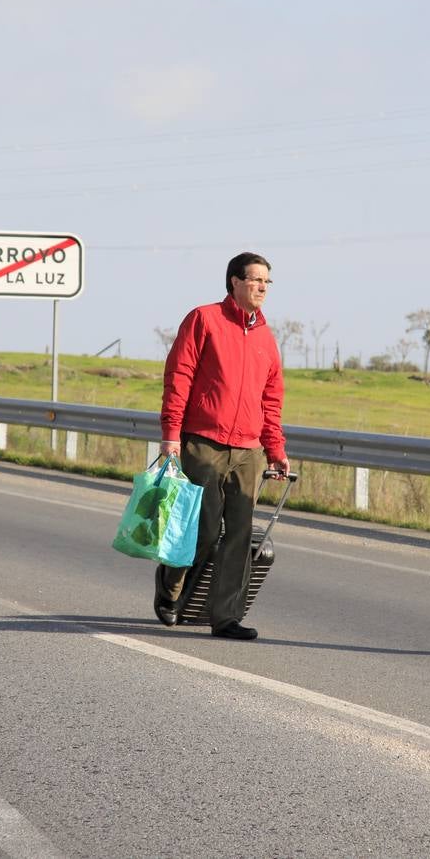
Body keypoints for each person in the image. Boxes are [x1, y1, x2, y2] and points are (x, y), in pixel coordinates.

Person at [152, 252, 290, 640]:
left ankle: (225, 617)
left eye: (267, 282)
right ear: (234, 281)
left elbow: (271, 399)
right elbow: (179, 377)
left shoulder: (266, 337)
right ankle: (170, 589)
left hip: (248, 450)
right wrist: (171, 435)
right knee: (203, 529)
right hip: (203, 443)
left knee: (241, 534)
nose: (262, 287)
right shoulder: (204, 320)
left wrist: (275, 449)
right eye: (255, 280)